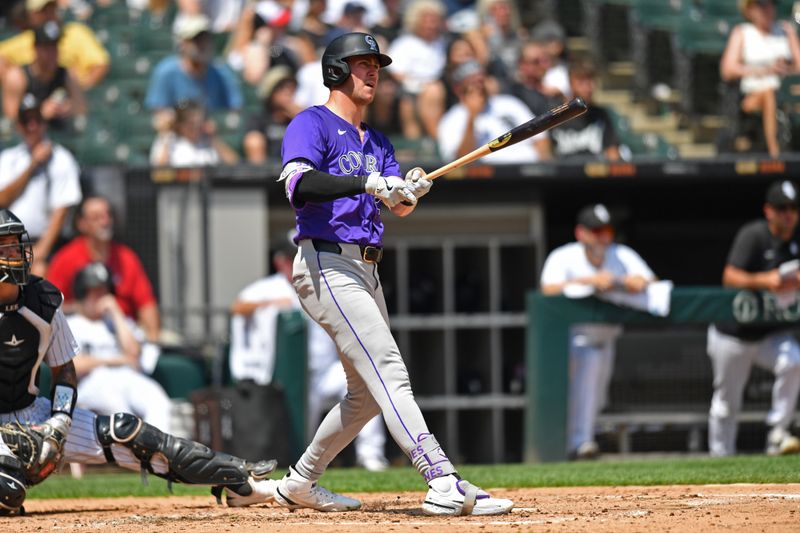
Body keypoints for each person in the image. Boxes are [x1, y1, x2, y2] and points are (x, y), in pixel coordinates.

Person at [271, 31, 513, 516]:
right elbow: (299, 185)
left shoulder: (377, 140)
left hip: (366, 267)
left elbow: (394, 207)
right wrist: (368, 181)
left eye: (375, 64)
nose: (372, 71)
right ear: (336, 71)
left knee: (364, 397)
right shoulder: (311, 123)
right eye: (361, 63)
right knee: (389, 370)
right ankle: (441, 478)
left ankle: (300, 481)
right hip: (325, 262)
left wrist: (408, 191)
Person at [0, 209, 277, 516]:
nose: (16, 253)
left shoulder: (44, 298)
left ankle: (238, 478)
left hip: (32, 410)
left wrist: (60, 422)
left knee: (127, 431)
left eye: (16, 245)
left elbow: (64, 368)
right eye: (6, 247)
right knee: (9, 490)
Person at [230, 240, 390, 471]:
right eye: (290, 257)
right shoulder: (268, 288)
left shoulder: (321, 280)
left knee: (368, 388)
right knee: (302, 430)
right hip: (295, 377)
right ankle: (305, 467)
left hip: (327, 369)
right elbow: (237, 307)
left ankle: (371, 456)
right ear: (280, 262)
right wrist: (272, 304)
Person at [540, 204, 656, 459]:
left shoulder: (621, 255)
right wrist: (588, 281)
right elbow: (547, 290)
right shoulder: (564, 256)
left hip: (606, 337)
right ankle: (579, 444)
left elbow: (651, 281)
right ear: (581, 233)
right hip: (573, 341)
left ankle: (579, 441)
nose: (604, 236)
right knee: (583, 383)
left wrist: (624, 281)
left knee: (597, 399)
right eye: (597, 230)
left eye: (607, 230)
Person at [707, 180, 800, 457]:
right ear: (769, 211)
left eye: (794, 208)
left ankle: (777, 432)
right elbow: (729, 277)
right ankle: (719, 459)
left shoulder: (796, 240)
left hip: (768, 332)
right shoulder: (754, 235)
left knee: (794, 362)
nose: (789, 214)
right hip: (733, 334)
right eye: (782, 208)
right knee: (727, 403)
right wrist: (766, 281)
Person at [66, 262, 171, 432]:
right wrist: (116, 360)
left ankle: (158, 455)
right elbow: (73, 366)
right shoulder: (71, 324)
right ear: (82, 293)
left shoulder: (118, 322)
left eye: (105, 291)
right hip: (93, 382)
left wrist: (116, 313)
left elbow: (134, 354)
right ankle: (133, 456)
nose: (102, 297)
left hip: (127, 377)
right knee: (122, 413)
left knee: (158, 401)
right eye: (95, 291)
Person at [46, 195, 161, 343]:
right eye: (96, 217)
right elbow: (50, 306)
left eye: (107, 215)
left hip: (124, 332)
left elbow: (146, 304)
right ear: (82, 223)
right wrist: (84, 308)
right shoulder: (66, 258)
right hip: (81, 336)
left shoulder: (126, 258)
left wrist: (153, 339)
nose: (105, 221)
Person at [0, 93, 82, 278]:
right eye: (26, 121)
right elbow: (2, 199)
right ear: (18, 126)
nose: (32, 126)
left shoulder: (61, 158)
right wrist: (32, 166)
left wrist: (40, 252)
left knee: (39, 286)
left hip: (47, 247)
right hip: (9, 244)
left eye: (37, 120)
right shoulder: (8, 158)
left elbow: (62, 210)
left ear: (44, 123)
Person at [720, 0, 800, 157]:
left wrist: (786, 66)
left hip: (784, 92)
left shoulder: (785, 31)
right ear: (749, 9)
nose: (767, 8)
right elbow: (727, 69)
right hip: (752, 95)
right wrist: (765, 70)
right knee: (768, 93)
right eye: (761, 4)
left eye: (770, 4)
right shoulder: (743, 32)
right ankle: (774, 154)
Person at [144, 14, 242, 135]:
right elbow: (158, 115)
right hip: (177, 138)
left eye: (205, 39)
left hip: (213, 140)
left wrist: (216, 124)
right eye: (195, 40)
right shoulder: (166, 71)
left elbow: (235, 111)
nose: (201, 44)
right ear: (183, 44)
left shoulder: (222, 72)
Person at [438, 59, 551, 164]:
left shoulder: (509, 103)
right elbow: (459, 162)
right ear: (458, 88)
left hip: (529, 173)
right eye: (473, 81)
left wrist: (545, 171)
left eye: (481, 79)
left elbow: (540, 138)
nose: (479, 85)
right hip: (490, 180)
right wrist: (471, 117)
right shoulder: (452, 119)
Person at [0, 0, 110, 89]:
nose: (49, 14)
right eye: (43, 10)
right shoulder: (23, 39)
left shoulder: (75, 32)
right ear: (31, 14)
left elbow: (100, 64)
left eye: (52, 8)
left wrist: (77, 89)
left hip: (68, 101)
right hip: (36, 105)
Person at [1, 20, 87, 128]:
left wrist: (67, 108)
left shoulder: (66, 74)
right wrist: (39, 113)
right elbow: (11, 121)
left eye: (54, 47)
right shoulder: (17, 77)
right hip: (30, 136)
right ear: (35, 49)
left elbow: (81, 108)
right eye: (47, 48)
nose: (52, 53)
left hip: (59, 133)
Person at [549, 58, 620, 161]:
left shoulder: (601, 115)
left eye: (591, 80)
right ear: (570, 82)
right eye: (581, 81)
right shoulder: (555, 115)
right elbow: (545, 156)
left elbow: (613, 153)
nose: (588, 87)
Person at [149, 100, 240, 167]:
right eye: (190, 123)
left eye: (198, 122)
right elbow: (158, 171)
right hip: (177, 190)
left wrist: (214, 139)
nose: (195, 127)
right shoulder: (169, 140)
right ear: (179, 124)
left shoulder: (208, 141)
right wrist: (166, 135)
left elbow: (234, 164)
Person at [243, 66, 302, 164]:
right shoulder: (259, 118)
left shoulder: (296, 117)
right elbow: (253, 141)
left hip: (294, 168)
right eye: (282, 87)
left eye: (291, 87)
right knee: (254, 140)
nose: (288, 91)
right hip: (267, 169)